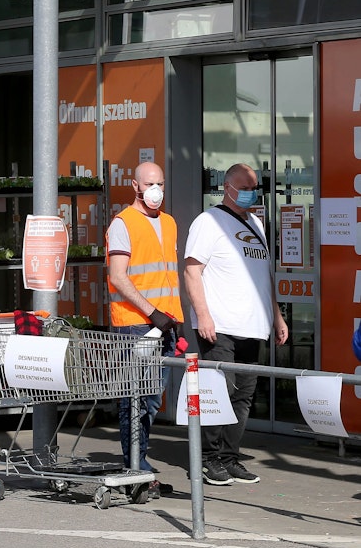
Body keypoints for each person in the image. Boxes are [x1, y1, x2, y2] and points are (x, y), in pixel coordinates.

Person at [184, 163, 288, 485]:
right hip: (221, 326)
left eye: (254, 187)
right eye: (244, 187)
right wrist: (203, 315)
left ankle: (230, 457)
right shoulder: (208, 221)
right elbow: (191, 270)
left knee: (242, 397)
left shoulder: (256, 223)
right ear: (227, 187)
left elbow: (264, 276)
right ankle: (209, 458)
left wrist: (277, 315)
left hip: (252, 326)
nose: (251, 193)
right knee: (220, 393)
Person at [105, 162, 182, 499]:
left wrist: (172, 319)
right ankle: (136, 468)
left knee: (151, 400)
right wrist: (154, 313)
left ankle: (140, 466)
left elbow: (166, 276)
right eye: (150, 184)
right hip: (136, 324)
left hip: (164, 324)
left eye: (161, 184)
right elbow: (119, 276)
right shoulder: (123, 223)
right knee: (137, 400)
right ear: (135, 185)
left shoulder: (169, 223)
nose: (156, 190)